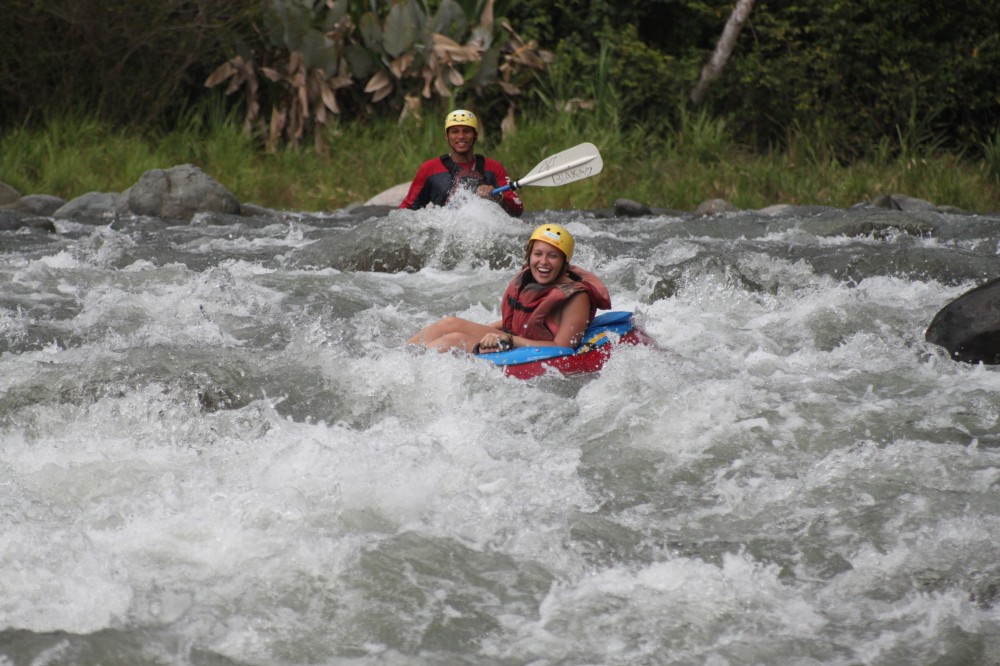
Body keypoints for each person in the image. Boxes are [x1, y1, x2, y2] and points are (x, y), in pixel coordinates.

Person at [408, 224, 611, 353]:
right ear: (529, 256)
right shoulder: (528, 280)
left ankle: (409, 369)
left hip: (532, 352)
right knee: (450, 324)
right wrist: (485, 331)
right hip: (513, 342)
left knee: (455, 340)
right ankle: (399, 355)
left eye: (553, 255)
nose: (543, 262)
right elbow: (517, 321)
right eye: (538, 254)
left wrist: (509, 340)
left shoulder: (577, 297)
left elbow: (563, 347)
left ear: (564, 262)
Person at [399, 109, 524, 217]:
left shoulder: (494, 168)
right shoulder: (430, 169)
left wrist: (497, 197)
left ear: (475, 135)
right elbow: (406, 210)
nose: (461, 136)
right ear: (447, 136)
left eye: (466, 131)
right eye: (454, 131)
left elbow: (517, 210)